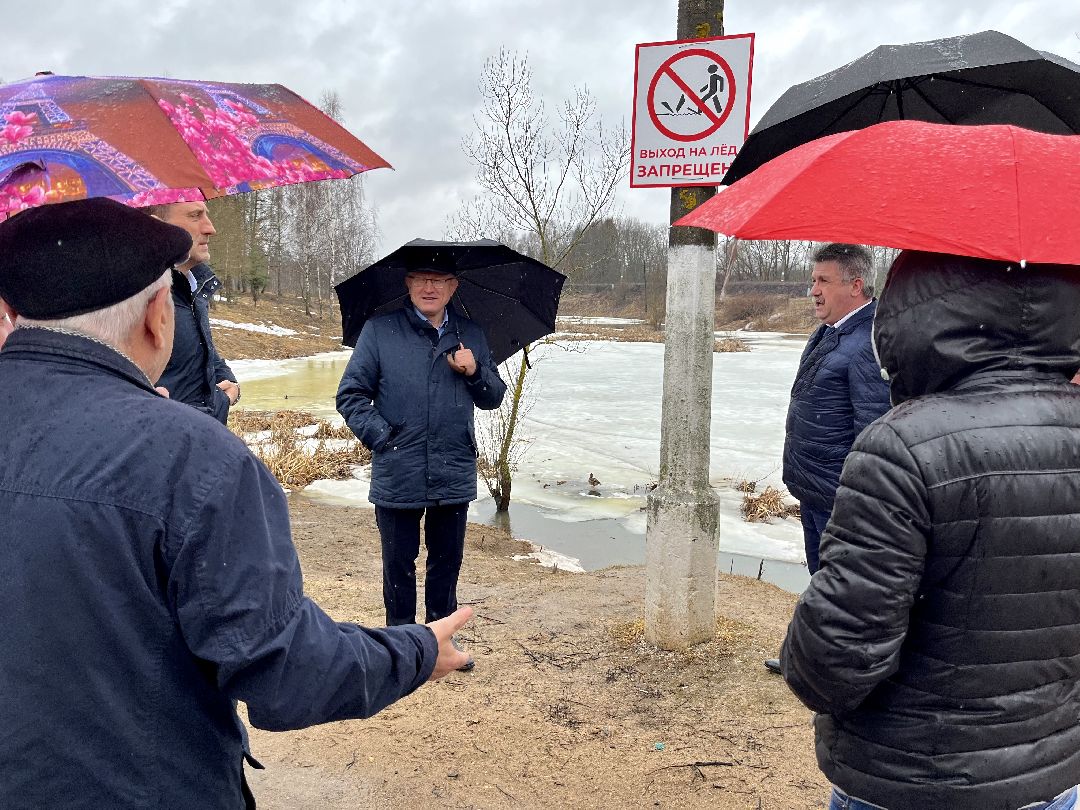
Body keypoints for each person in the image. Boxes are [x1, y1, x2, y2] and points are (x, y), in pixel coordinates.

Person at [0, 198, 473, 808]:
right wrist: (416, 649)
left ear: (13, 312)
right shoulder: (194, 459)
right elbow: (286, 673)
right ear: (157, 316)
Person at [781, 250, 1080, 810]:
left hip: (913, 777)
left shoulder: (904, 447)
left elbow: (831, 662)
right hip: (1053, 775)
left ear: (917, 311)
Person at [337, 266, 506, 671]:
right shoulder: (379, 332)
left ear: (453, 287)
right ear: (408, 284)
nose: (430, 287)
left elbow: (493, 397)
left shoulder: (471, 335)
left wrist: (475, 372)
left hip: (453, 466)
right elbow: (351, 396)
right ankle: (400, 645)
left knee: (447, 560)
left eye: (440, 279)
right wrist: (383, 436)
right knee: (398, 561)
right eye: (421, 278)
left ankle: (441, 642)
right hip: (399, 466)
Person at [764, 244, 892, 675]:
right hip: (815, 487)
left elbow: (873, 432)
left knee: (843, 587)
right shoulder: (830, 331)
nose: (812, 290)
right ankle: (816, 660)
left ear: (855, 286)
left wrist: (862, 499)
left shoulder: (866, 344)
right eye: (813, 279)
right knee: (822, 580)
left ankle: (840, 670)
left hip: (842, 495)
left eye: (823, 281)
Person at [144, 201, 239, 424]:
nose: (210, 228)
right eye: (195, 216)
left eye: (207, 215)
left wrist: (228, 390)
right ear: (156, 225)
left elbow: (205, 357)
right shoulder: (141, 296)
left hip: (198, 443)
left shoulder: (194, 287)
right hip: (168, 446)